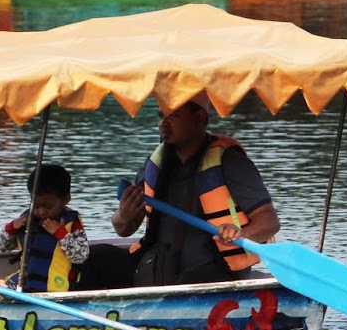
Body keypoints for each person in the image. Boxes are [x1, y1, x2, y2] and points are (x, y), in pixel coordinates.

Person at [107, 91, 281, 287]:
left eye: (173, 116)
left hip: (215, 272)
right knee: (98, 259)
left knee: (187, 277)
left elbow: (269, 221)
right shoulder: (154, 164)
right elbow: (123, 229)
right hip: (158, 266)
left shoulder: (231, 162)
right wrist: (124, 215)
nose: (163, 123)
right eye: (161, 116)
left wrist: (241, 233)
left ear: (198, 118)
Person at [0, 163, 90, 293]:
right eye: (36, 206)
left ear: (66, 199)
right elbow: (2, 247)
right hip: (24, 283)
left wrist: (61, 233)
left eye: (48, 207)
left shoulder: (72, 223)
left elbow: (81, 256)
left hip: (58, 289)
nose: (41, 211)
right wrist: (12, 227)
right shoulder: (27, 218)